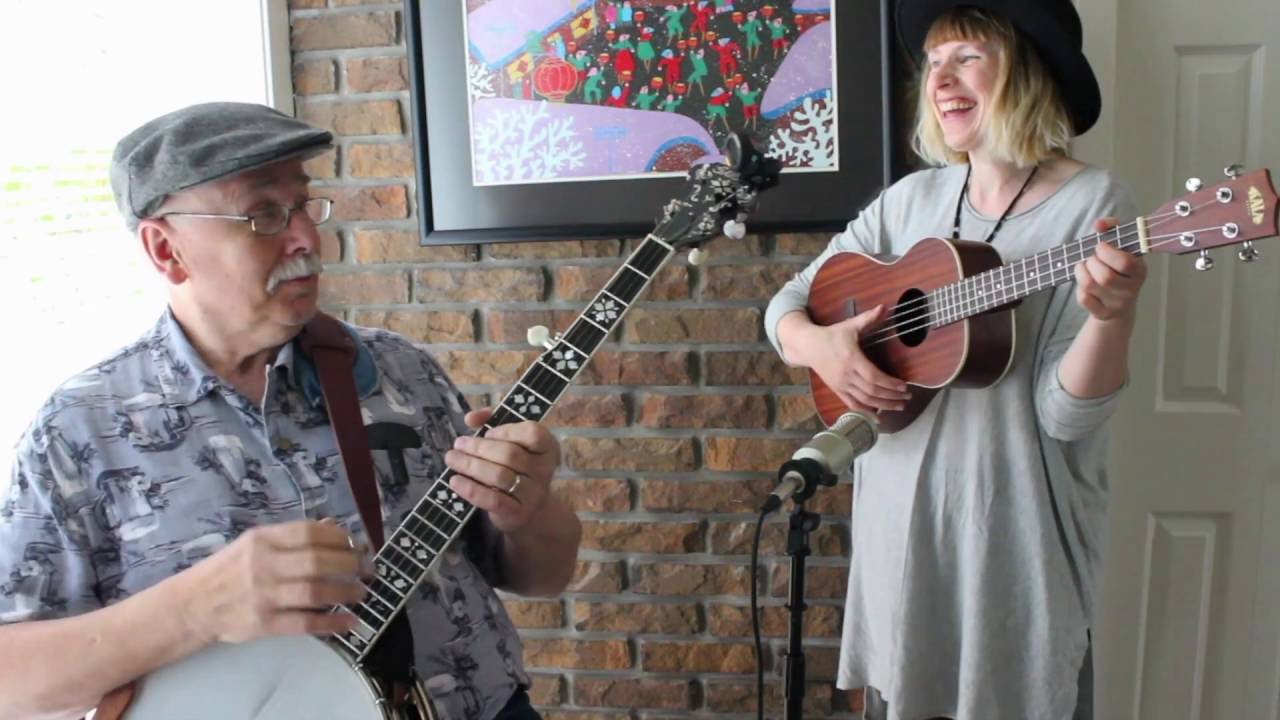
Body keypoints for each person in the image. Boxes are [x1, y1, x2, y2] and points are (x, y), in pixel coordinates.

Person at [0, 102, 582, 720]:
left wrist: (530, 510)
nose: (306, 238)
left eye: (303, 205)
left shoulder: (402, 369)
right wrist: (195, 608)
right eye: (263, 216)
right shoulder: (79, 429)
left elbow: (539, 576)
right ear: (166, 250)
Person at [764, 1, 1146, 718]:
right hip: (899, 541)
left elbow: (1064, 417)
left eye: (967, 55)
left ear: (1028, 71)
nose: (941, 77)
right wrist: (824, 348)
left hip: (1008, 543)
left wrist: (1112, 316)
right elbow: (786, 303)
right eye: (934, 62)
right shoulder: (910, 201)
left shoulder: (1093, 202)